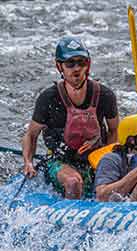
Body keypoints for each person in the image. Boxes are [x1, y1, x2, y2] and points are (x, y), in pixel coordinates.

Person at [21, 36, 119, 199]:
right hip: (59, 161)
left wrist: (106, 163)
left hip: (94, 161)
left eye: (81, 62)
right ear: (59, 66)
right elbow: (31, 135)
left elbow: (114, 131)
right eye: (70, 63)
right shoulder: (48, 98)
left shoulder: (105, 95)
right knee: (74, 182)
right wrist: (28, 163)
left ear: (87, 64)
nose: (76, 69)